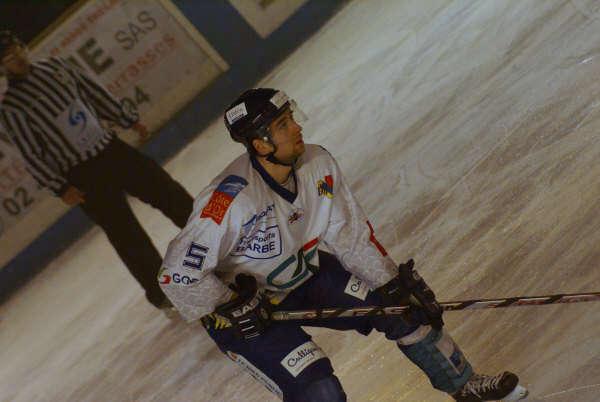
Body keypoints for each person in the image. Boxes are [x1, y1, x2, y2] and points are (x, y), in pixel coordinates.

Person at [159, 88, 529, 401]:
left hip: (304, 276)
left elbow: (348, 235)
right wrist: (231, 304)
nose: (297, 127)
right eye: (283, 125)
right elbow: (176, 276)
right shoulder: (228, 201)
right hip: (244, 316)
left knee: (400, 308)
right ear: (260, 143)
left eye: (292, 118)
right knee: (318, 389)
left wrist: (391, 283)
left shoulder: (317, 163)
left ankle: (464, 386)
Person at [0, 30, 193, 311]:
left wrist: (127, 119)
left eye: (16, 50)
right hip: (81, 175)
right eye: (7, 58)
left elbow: (93, 92)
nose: (16, 58)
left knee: (166, 191)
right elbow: (31, 152)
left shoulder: (56, 66)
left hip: (110, 149)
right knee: (124, 232)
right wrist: (60, 187)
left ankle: (211, 239)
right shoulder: (12, 107)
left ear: (23, 46)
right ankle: (161, 292)